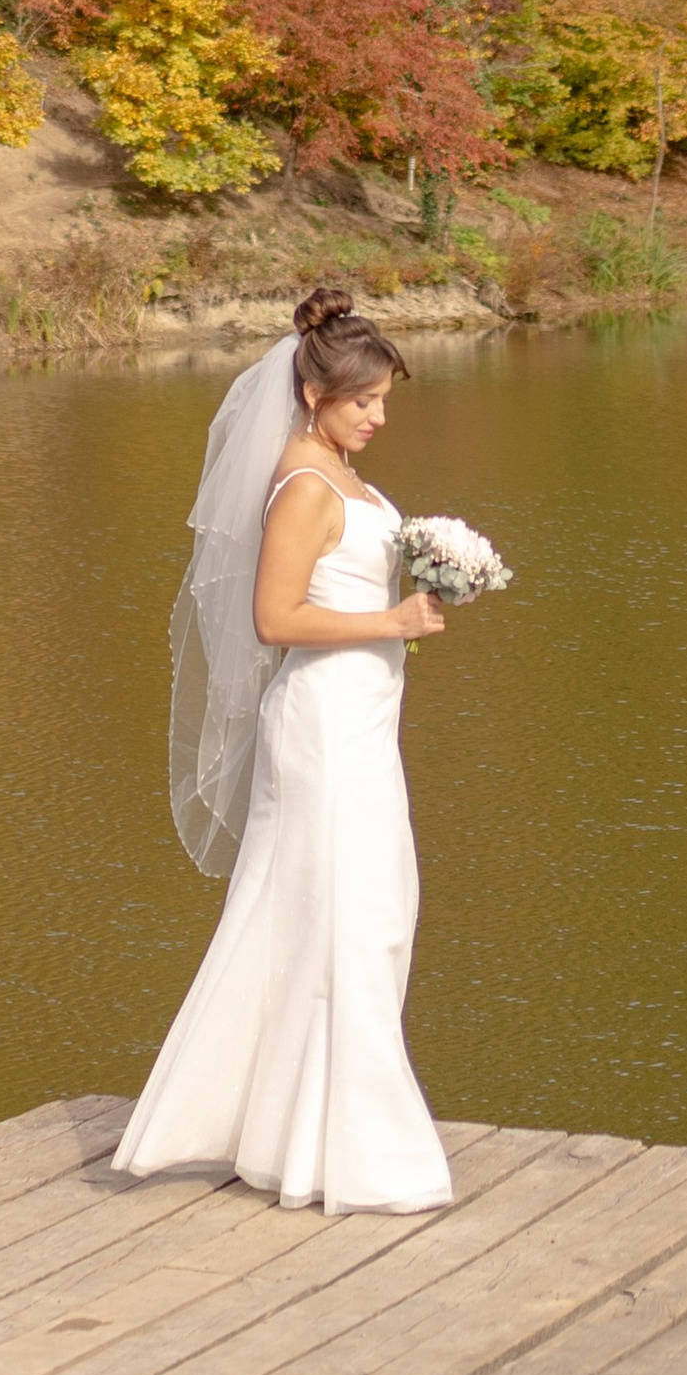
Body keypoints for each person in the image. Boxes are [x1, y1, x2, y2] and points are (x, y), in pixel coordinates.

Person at [113, 280, 455, 1216]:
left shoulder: (342, 473)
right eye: (364, 401)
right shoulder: (304, 484)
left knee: (368, 911)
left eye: (385, 400)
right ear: (314, 396)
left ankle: (291, 1127)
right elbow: (274, 618)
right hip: (323, 729)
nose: (380, 417)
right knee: (351, 915)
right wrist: (390, 616)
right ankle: (350, 1146)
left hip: (360, 722)